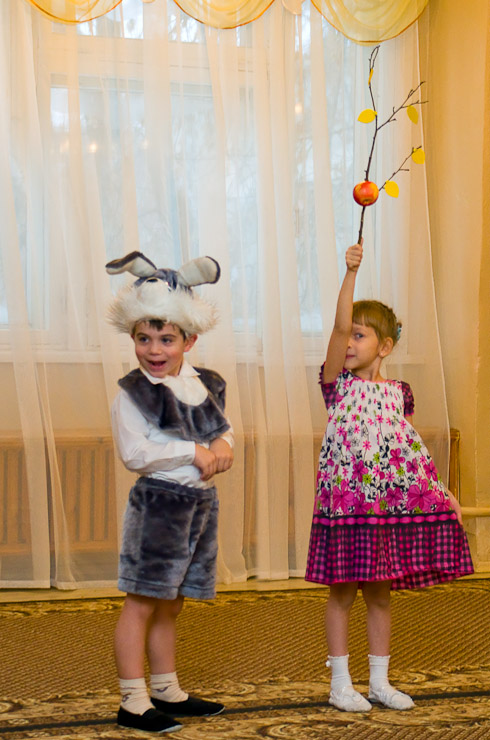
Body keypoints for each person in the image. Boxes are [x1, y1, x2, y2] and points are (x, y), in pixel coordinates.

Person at [305, 240, 473, 713]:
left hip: (386, 509)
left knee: (380, 595)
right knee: (342, 593)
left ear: (385, 346)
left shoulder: (400, 392)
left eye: (361, 336)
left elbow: (410, 453)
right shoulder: (337, 384)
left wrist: (442, 493)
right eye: (350, 334)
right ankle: (341, 684)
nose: (350, 342)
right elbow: (338, 326)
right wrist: (350, 273)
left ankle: (379, 681)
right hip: (347, 506)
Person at [105, 251, 234, 734]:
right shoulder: (132, 393)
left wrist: (222, 445)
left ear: (189, 340)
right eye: (144, 339)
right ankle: (132, 701)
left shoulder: (206, 384)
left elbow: (224, 432)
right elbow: (135, 453)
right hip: (159, 506)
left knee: (171, 601)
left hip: (199, 506)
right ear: (132, 338)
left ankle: (165, 689)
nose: (154, 350)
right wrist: (190, 451)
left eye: (166, 339)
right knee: (142, 601)